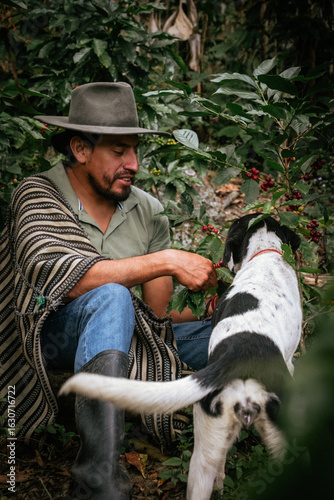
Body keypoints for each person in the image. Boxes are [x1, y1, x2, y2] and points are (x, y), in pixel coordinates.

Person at [0, 82, 217, 500]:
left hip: (129, 342)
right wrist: (167, 260)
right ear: (80, 150)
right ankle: (97, 481)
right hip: (48, 338)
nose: (133, 164)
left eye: (135, 151)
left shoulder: (148, 210)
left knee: (230, 331)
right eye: (119, 152)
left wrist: (213, 304)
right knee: (112, 296)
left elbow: (156, 321)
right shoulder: (37, 196)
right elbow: (63, 278)